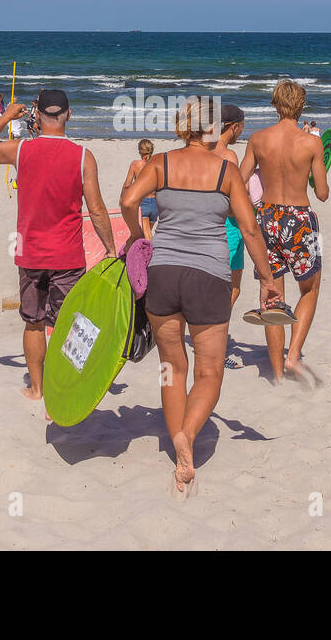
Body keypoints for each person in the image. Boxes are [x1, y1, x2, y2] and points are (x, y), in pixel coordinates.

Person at [120, 96, 278, 497]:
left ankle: (178, 445)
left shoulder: (161, 163)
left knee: (172, 365)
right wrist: (267, 277)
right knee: (209, 371)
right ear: (212, 127)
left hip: (163, 274)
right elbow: (250, 229)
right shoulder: (226, 172)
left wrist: (139, 237)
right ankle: (187, 435)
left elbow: (127, 201)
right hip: (209, 277)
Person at [0, 89, 117, 403]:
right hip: (67, 256)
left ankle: (37, 389)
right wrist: (110, 248)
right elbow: (96, 208)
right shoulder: (82, 156)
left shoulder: (22, 150)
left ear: (37, 116)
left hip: (31, 254)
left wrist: (7, 116)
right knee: (68, 326)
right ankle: (62, 390)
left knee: (34, 322)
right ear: (69, 114)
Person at [239, 79, 329, 385]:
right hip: (298, 219)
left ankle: (276, 374)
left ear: (275, 105)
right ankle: (293, 356)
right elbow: (323, 193)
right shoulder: (311, 143)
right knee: (310, 289)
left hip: (267, 218)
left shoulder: (258, 138)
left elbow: (239, 180)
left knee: (271, 295)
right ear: (301, 106)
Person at [212, 105, 247, 370]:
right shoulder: (229, 155)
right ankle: (217, 347)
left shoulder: (201, 150)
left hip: (206, 226)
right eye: (242, 127)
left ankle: (210, 341)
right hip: (229, 227)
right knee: (230, 291)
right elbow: (233, 197)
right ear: (233, 126)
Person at [122, 139, 158, 238]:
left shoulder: (135, 164)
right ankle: (130, 252)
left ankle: (152, 253)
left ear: (139, 151)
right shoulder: (156, 164)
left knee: (147, 236)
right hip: (155, 203)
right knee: (146, 234)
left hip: (143, 202)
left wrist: (122, 199)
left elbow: (127, 184)